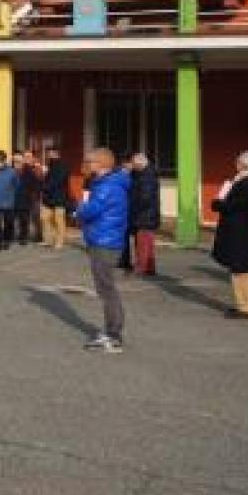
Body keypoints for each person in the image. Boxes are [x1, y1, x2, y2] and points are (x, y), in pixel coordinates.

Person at [75, 148, 130, 353]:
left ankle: (113, 335)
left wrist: (80, 208)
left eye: (89, 161)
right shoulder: (107, 182)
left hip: (104, 241)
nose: (86, 164)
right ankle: (112, 331)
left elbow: (92, 210)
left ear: (101, 163)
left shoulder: (107, 185)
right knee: (106, 288)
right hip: (104, 238)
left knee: (106, 289)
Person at [211, 152, 248, 319]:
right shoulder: (246, 182)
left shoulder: (245, 184)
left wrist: (217, 204)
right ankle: (246, 305)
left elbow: (233, 207)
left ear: (243, 165)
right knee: (246, 269)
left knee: (242, 271)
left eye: (237, 163)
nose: (235, 165)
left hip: (241, 233)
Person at [120, 153, 160, 276]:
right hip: (147, 214)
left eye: (134, 164)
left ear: (139, 164)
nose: (133, 166)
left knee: (143, 243)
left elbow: (144, 198)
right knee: (147, 243)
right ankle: (149, 267)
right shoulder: (144, 174)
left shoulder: (146, 177)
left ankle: (141, 268)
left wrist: (134, 208)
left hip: (144, 215)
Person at [40, 148, 71, 249]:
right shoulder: (49, 165)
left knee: (59, 220)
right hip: (48, 198)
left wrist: (45, 187)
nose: (48, 155)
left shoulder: (63, 165)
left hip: (59, 197)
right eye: (48, 154)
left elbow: (58, 180)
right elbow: (46, 179)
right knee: (44, 218)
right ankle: (47, 240)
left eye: (50, 153)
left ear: (56, 154)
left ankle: (59, 241)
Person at [13, 152, 41, 245]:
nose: (17, 163)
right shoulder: (11, 171)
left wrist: (32, 194)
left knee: (24, 219)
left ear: (22, 161)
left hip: (25, 199)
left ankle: (23, 237)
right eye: (15, 161)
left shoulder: (29, 171)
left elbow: (36, 184)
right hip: (13, 198)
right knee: (14, 219)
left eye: (18, 161)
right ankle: (12, 235)